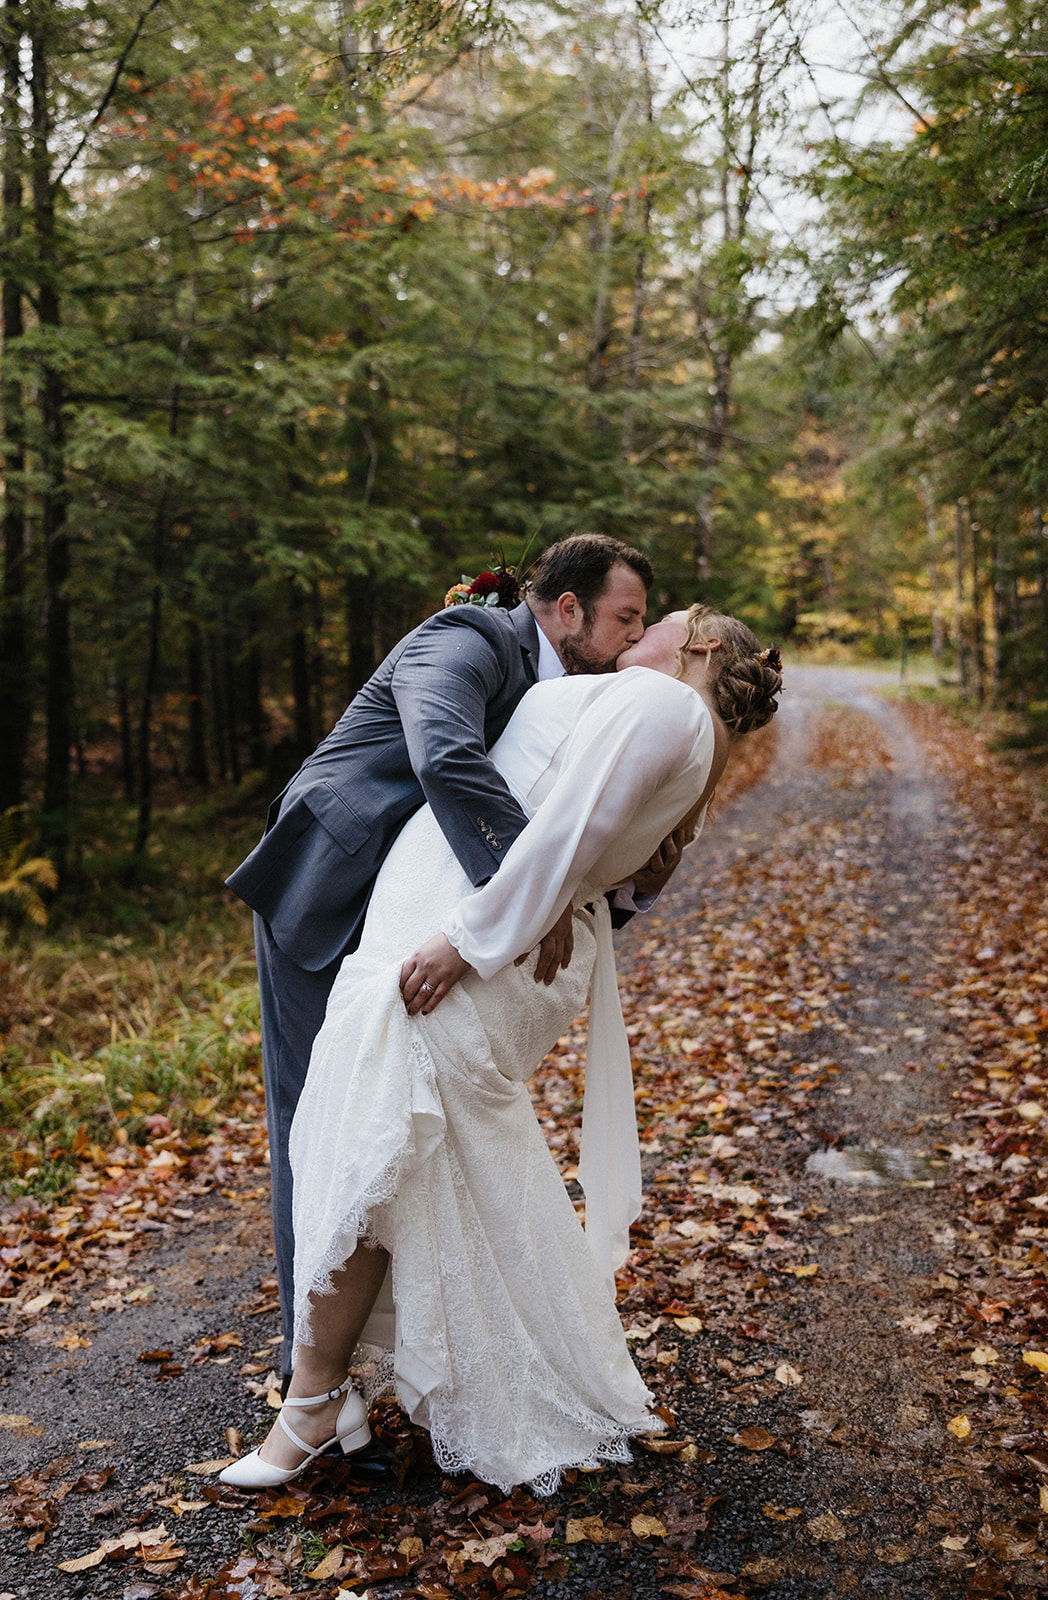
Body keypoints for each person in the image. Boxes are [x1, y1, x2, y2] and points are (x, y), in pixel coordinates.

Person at [220, 605, 783, 1494]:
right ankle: (352, 1392)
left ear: (701, 645)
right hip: (490, 931)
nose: (641, 631)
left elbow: (566, 833)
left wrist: (467, 940)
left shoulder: (663, 706)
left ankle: (313, 1408)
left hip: (465, 937)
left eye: (659, 619)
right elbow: (621, 864)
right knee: (404, 1155)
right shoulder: (695, 740)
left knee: (372, 1140)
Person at [226, 535, 654, 1381]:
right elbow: (446, 753)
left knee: (381, 1124)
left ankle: (373, 1357)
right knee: (313, 1124)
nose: (633, 645)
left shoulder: (560, 693)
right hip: (328, 884)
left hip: (402, 907)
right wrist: (524, 898)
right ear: (567, 609)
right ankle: (304, 1380)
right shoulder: (465, 638)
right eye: (625, 621)